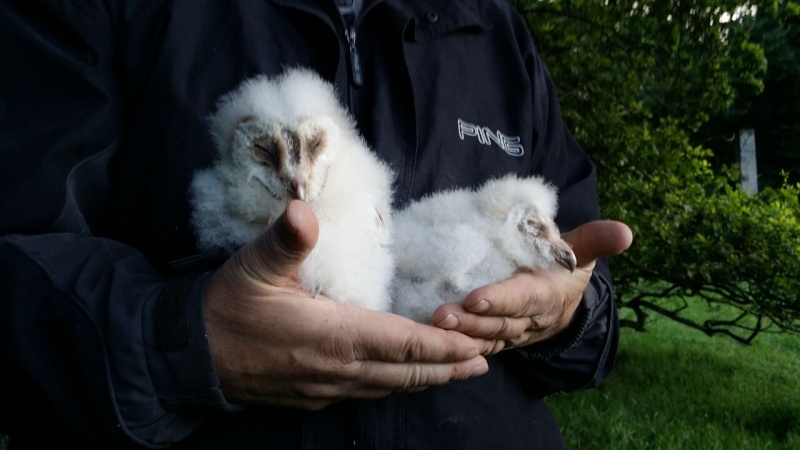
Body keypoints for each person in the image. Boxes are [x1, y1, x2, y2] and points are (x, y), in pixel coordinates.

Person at [0, 0, 632, 448]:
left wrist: (569, 310)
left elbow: (581, 274)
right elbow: (20, 257)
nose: (297, 178)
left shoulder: (491, 27)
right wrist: (179, 345)